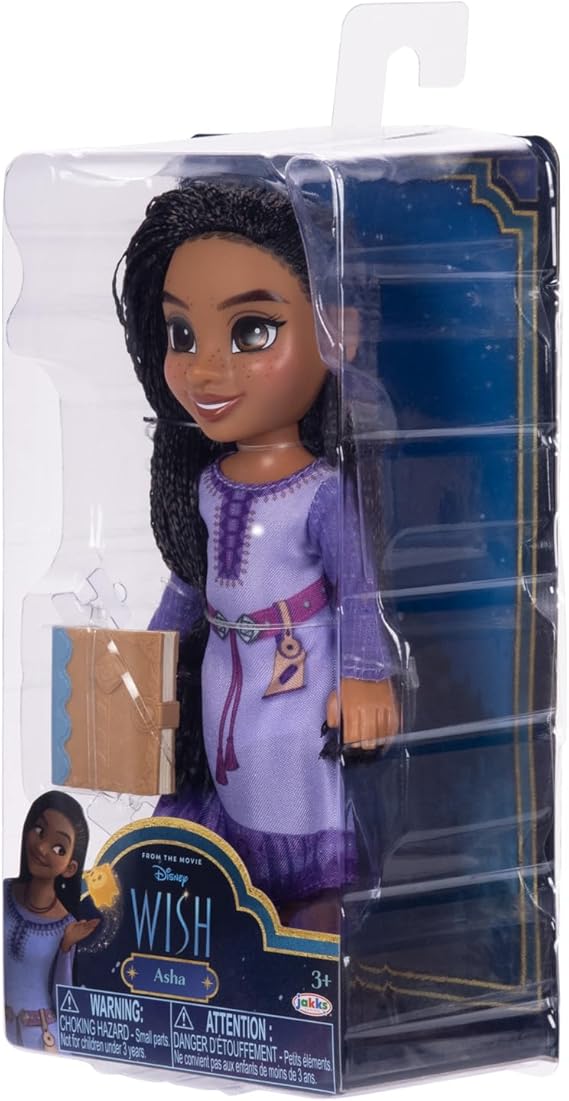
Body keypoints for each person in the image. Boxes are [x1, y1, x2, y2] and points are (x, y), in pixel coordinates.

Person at [114, 179, 399, 931]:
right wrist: (148, 658)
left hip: (296, 678)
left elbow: (358, 588)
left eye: (250, 333)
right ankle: (238, 914)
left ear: (338, 332)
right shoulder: (209, 483)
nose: (205, 369)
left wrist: (365, 675)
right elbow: (190, 583)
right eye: (182, 335)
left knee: (290, 793)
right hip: (225, 674)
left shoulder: (319, 492)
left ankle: (310, 923)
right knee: (230, 780)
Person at [4, 791, 99, 1050]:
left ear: (70, 867)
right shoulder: (5, 894)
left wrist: (66, 947)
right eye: (39, 830)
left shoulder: (66, 925)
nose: (42, 848)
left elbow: (63, 999)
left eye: (59, 848)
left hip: (44, 1039)